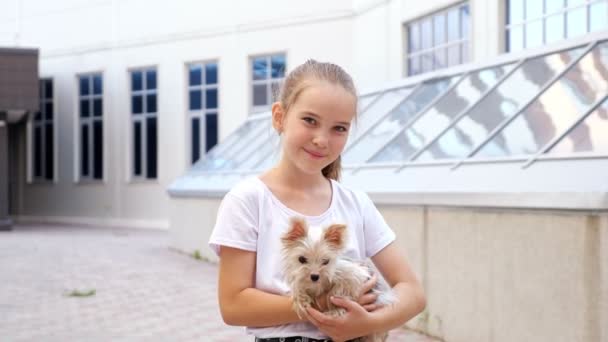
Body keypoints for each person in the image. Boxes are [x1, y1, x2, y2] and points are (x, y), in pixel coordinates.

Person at [209, 59, 426, 342]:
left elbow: (413, 292)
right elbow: (233, 305)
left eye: (339, 128)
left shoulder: (355, 203)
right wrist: (322, 304)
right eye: (310, 121)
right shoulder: (248, 200)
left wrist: (369, 322)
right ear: (279, 117)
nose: (322, 140)